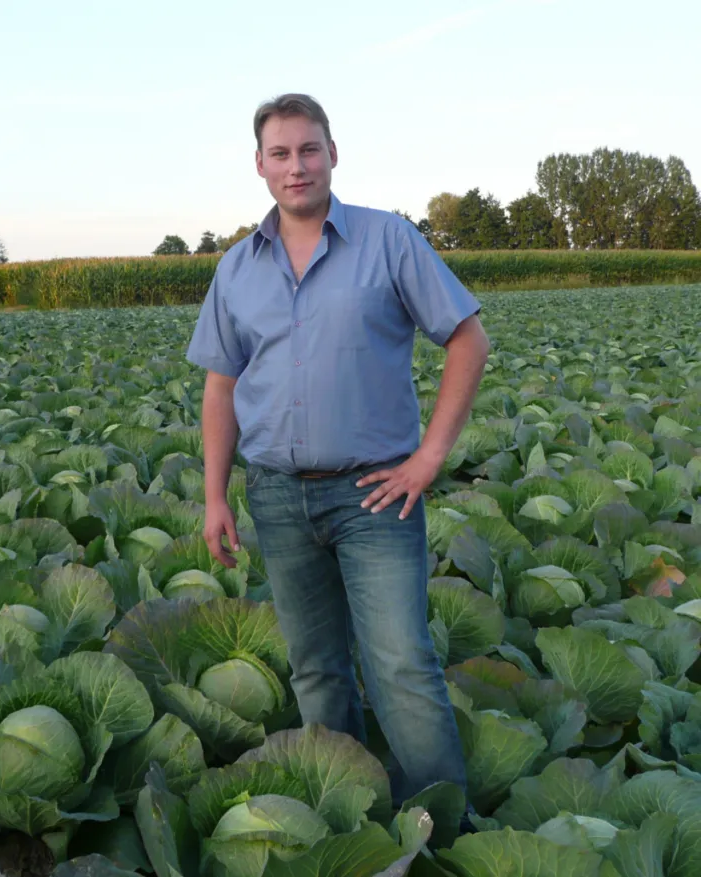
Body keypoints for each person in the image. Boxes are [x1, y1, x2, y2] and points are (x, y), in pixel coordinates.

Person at [185, 93, 490, 822]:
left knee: (401, 667)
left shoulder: (388, 240)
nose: (298, 166)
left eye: (309, 149)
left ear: (333, 153)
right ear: (260, 165)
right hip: (279, 497)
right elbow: (220, 386)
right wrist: (215, 495)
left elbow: (468, 338)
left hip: (375, 495)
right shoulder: (237, 268)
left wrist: (429, 457)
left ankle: (441, 834)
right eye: (282, 153)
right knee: (317, 671)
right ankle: (349, 817)